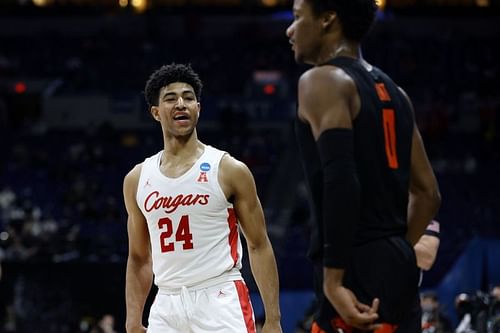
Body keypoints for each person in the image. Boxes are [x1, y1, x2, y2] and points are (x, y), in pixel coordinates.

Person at [286, 0, 441, 332]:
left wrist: (334, 279)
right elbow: (428, 194)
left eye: (298, 18)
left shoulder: (321, 80)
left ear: (328, 19)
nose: (290, 30)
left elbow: (341, 180)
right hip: (396, 267)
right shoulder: (397, 93)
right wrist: (397, 251)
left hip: (353, 269)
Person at [123, 63, 282, 333]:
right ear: (156, 112)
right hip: (166, 304)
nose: (181, 104)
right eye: (171, 99)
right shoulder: (137, 179)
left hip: (220, 298)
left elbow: (258, 245)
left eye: (188, 98)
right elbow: (139, 257)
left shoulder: (229, 169)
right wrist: (133, 319)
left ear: (199, 108)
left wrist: (273, 320)